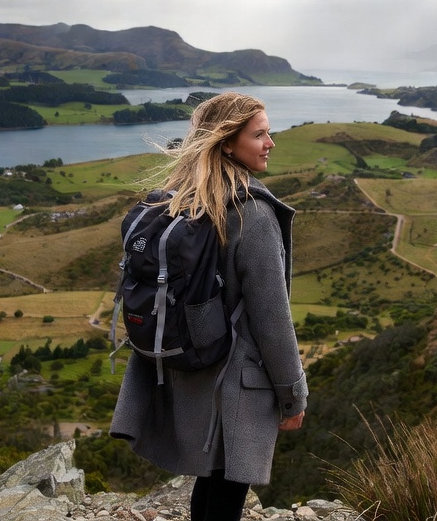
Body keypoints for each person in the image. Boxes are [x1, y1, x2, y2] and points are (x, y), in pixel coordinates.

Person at [110, 92, 307, 521]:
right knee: (226, 489)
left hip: (194, 368)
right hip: (236, 381)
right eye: (259, 134)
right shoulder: (254, 216)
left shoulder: (181, 201)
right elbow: (273, 320)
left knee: (212, 483)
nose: (271, 142)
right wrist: (293, 396)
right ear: (226, 143)